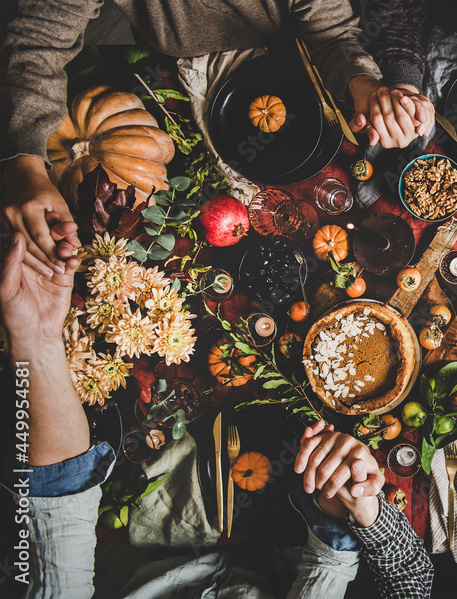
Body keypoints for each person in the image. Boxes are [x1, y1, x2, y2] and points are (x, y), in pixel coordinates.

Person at [0, 232, 434, 598]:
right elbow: (412, 583)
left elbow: (60, 509)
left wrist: (37, 340)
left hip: (139, 554)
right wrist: (354, 505)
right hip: (285, 549)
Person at [0, 0, 435, 277]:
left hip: (286, 51)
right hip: (180, 59)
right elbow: (36, 40)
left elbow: (332, 32)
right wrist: (24, 164)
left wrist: (361, 83)